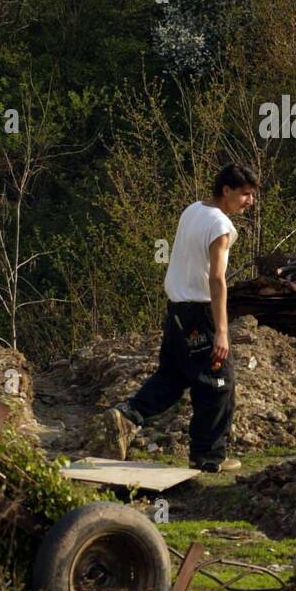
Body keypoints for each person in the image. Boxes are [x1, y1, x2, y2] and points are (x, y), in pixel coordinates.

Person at [109, 163, 258, 472]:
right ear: (226, 190)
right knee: (218, 384)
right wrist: (221, 331)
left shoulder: (193, 209)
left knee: (174, 375)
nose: (250, 201)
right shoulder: (220, 226)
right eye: (245, 194)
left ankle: (128, 415)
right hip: (200, 313)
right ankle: (208, 456)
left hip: (176, 308)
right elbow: (217, 279)